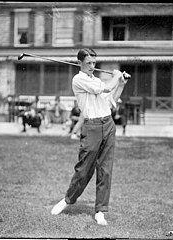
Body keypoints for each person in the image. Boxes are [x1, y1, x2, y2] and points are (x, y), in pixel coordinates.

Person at [51, 48, 129, 225]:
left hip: (108, 124)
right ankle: (67, 200)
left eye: (94, 63)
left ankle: (100, 210)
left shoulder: (96, 80)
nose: (92, 66)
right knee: (84, 170)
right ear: (80, 63)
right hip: (92, 126)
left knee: (106, 170)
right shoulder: (78, 79)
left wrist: (122, 83)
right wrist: (116, 75)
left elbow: (111, 101)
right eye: (89, 63)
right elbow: (108, 86)